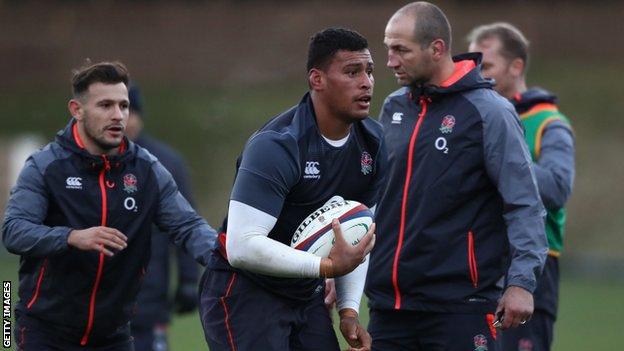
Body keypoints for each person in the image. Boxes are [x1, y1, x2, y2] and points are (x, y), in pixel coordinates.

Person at [365, 3, 548, 350]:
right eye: (388, 48)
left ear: (436, 48)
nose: (389, 61)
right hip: (390, 308)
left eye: (400, 49)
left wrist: (521, 282)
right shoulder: (393, 107)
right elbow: (376, 198)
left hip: (460, 308)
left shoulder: (489, 112)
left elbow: (524, 202)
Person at [2, 61, 217, 351]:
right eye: (105, 105)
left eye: (123, 106)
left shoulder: (148, 170)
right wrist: (71, 237)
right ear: (77, 110)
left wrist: (228, 257)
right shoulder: (46, 166)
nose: (118, 116)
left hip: (113, 335)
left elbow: (188, 226)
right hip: (46, 332)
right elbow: (14, 231)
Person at [200, 27, 385, 351]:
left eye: (369, 71)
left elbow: (358, 233)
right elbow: (242, 247)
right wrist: (325, 267)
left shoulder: (374, 142)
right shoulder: (278, 146)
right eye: (352, 72)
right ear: (317, 80)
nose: (366, 82)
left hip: (303, 292)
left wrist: (349, 309)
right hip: (245, 291)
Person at [468, 22, 575, 351]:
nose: (480, 76)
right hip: (480, 267)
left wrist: (503, 159)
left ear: (516, 66)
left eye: (487, 66)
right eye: (474, 68)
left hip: (531, 269)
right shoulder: (473, 117)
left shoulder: (548, 124)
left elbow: (557, 188)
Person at [124, 84, 200, 351]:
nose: (124, 119)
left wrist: (190, 279)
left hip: (151, 298)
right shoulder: (79, 164)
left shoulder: (166, 162)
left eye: (129, 110)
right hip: (95, 302)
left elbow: (186, 223)